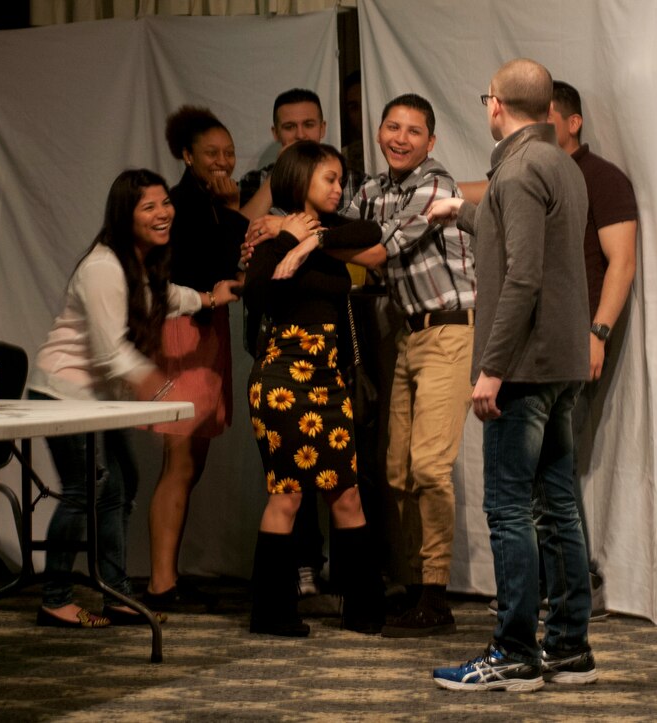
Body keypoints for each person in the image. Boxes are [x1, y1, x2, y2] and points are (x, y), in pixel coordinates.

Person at [428, 58, 595, 691]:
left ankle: (516, 652)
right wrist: (461, 212)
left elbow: (523, 275)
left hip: (523, 367)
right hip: (558, 363)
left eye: (486, 98)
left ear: (496, 104)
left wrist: (492, 369)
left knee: (508, 510)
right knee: (558, 507)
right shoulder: (557, 164)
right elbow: (530, 242)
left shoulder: (520, 168)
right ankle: (571, 647)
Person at [29, 168, 241, 627]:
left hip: (99, 399)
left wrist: (209, 297)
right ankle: (55, 595)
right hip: (63, 393)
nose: (163, 213)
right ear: (126, 215)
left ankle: (116, 592)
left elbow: (163, 298)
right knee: (87, 489)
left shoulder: (133, 264)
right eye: (150, 207)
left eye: (166, 203)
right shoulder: (104, 267)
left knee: (119, 487)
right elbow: (109, 353)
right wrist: (160, 388)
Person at [338, 94, 476, 638]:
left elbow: (377, 251)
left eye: (413, 131)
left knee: (428, 469)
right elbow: (342, 224)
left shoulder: (435, 184)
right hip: (405, 333)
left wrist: (308, 247)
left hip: (448, 330)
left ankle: (435, 596)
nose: (401, 138)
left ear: (431, 142)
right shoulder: (371, 189)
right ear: (378, 131)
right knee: (395, 470)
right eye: (392, 127)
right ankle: (413, 587)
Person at [243, 140, 387, 636]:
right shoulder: (268, 237)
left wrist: (311, 242)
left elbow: (374, 234)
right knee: (289, 496)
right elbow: (258, 295)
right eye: (328, 177)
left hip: (329, 382)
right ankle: (271, 614)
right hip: (283, 381)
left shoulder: (332, 233)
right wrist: (285, 236)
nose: (338, 187)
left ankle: (364, 610)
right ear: (300, 177)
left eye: (340, 179)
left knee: (346, 495)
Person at [142, 107, 249, 610]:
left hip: (208, 332)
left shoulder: (210, 202)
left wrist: (229, 208)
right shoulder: (180, 203)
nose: (223, 161)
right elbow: (215, 266)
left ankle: (170, 576)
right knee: (180, 460)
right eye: (212, 154)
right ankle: (161, 583)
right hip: (183, 333)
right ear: (187, 156)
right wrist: (233, 212)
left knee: (193, 459)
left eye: (228, 153)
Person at [549, 80, 638, 616]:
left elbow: (621, 263)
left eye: (548, 116)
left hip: (575, 341)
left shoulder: (601, 178)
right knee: (537, 467)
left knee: (557, 464)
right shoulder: (533, 172)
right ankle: (556, 583)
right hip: (533, 345)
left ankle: (579, 584)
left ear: (573, 121)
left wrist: (597, 333)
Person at [239, 88, 365, 219]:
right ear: (276, 133)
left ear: (322, 128)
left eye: (309, 125)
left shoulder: (357, 182)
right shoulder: (253, 181)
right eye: (289, 127)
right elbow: (239, 233)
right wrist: (279, 171)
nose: (300, 135)